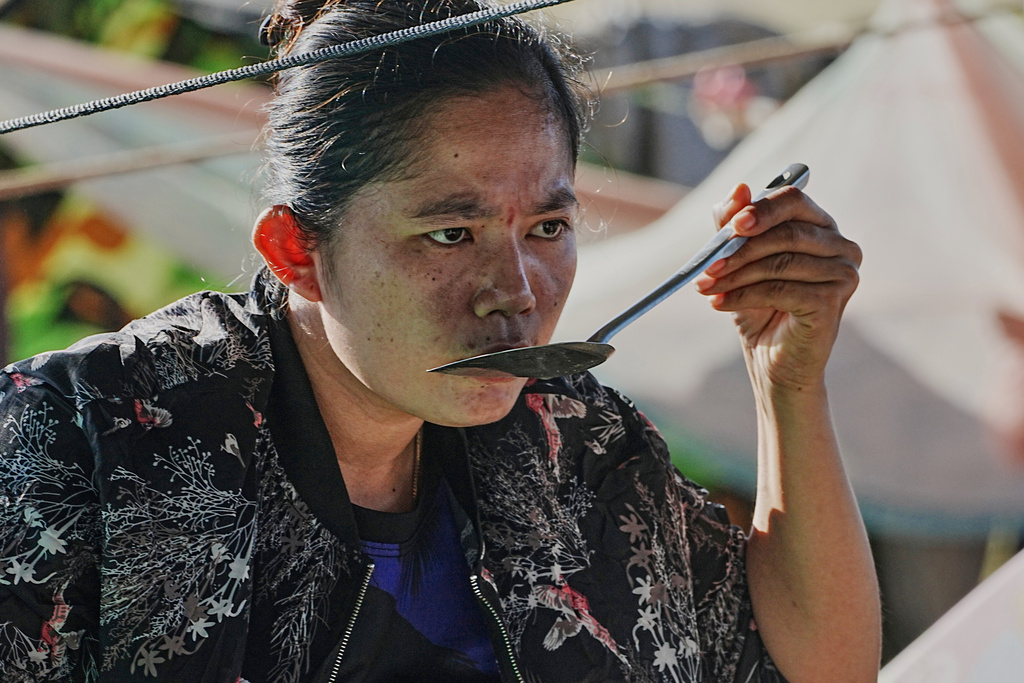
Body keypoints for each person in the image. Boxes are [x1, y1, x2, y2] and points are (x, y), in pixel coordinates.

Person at [0, 0, 880, 680]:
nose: (516, 294)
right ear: (295, 249)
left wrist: (788, 382)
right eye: (450, 235)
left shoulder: (577, 451)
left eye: (545, 227)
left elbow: (819, 667)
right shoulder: (84, 435)